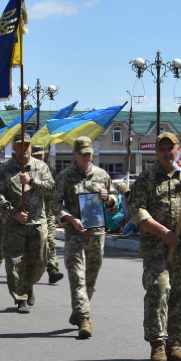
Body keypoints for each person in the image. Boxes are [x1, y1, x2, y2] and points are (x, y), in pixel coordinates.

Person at [128, 131, 181, 361]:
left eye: (171, 147)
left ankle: (174, 343)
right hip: (156, 246)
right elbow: (136, 211)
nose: (167, 152)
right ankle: (157, 343)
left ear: (179, 148)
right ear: (156, 151)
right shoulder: (147, 177)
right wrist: (162, 232)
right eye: (162, 148)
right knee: (158, 288)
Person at [52, 136, 118, 337]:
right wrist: (69, 218)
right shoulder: (65, 176)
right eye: (83, 154)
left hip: (96, 234)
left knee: (91, 277)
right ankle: (85, 318)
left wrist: (108, 199)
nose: (88, 157)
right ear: (75, 154)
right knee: (77, 276)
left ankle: (78, 310)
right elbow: (55, 204)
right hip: (74, 234)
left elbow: (115, 199)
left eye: (90, 153)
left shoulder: (101, 174)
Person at [0, 133, 54, 313]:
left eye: (27, 145)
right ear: (14, 148)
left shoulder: (40, 166)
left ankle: (28, 285)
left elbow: (51, 189)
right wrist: (13, 213)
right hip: (13, 224)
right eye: (21, 145)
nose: (25, 148)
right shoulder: (5, 168)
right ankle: (21, 298)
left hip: (37, 221)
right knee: (14, 263)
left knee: (40, 260)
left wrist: (32, 181)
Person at [32, 145, 65, 283]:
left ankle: (53, 270)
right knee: (34, 244)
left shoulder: (51, 171)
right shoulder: (27, 171)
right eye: (36, 156)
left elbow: (56, 192)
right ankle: (30, 271)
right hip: (32, 213)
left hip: (48, 212)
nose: (39, 158)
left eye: (41, 155)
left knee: (50, 240)